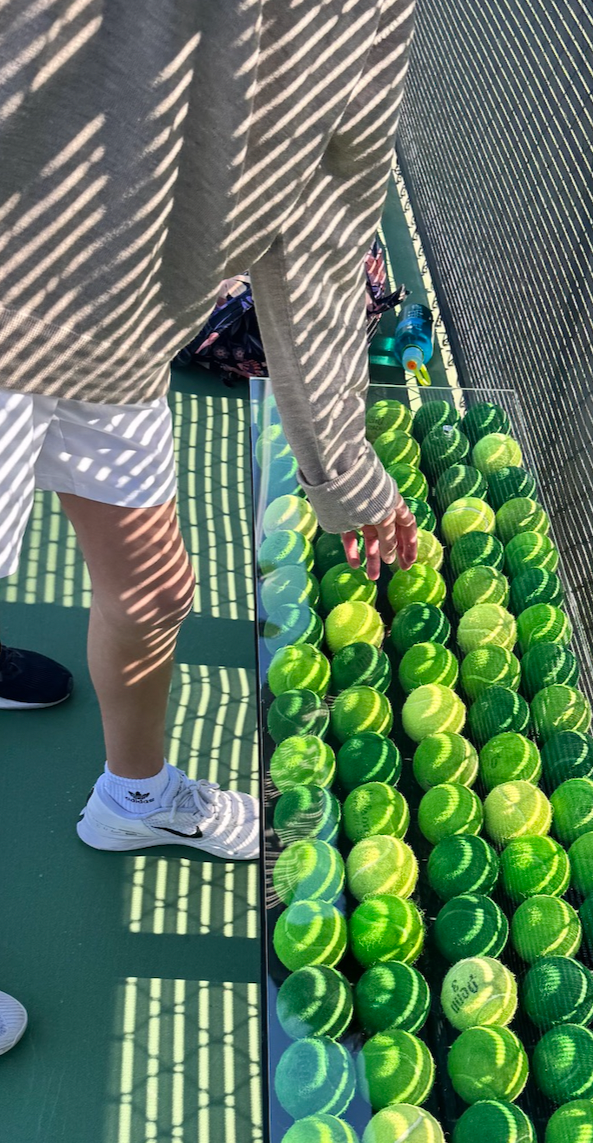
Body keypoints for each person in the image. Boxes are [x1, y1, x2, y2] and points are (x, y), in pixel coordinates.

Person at [0, 0, 417, 859]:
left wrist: (342, 467)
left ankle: (137, 799)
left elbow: (327, 217)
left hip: (116, 329)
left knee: (154, 593)